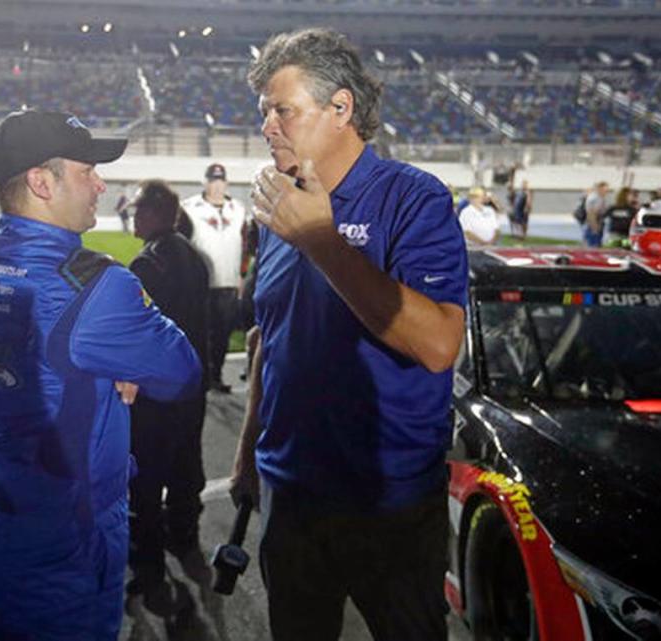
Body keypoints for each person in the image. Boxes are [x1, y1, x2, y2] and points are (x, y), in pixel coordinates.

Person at [232, 28, 468, 641]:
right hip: (291, 493)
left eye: (283, 111)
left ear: (341, 108)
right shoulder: (281, 208)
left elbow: (440, 343)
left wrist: (321, 242)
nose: (268, 127)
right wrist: (247, 451)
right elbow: (271, 337)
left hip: (386, 500)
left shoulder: (411, 198)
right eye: (264, 114)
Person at [0, 110, 201, 641]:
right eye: (87, 169)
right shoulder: (96, 285)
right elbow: (182, 371)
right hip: (63, 538)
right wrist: (124, 361)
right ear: (42, 183)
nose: (100, 182)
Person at [126, 179, 212, 615]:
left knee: (146, 479)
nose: (134, 216)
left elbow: (133, 333)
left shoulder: (148, 264)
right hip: (190, 386)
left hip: (156, 392)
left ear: (160, 213)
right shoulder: (195, 258)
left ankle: (149, 565)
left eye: (140, 209)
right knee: (185, 466)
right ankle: (185, 536)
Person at [181, 163, 246, 393]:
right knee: (200, 335)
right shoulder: (189, 208)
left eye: (220, 180)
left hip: (228, 283)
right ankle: (200, 377)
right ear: (205, 182)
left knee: (222, 335)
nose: (216, 185)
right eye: (212, 180)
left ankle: (215, 375)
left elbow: (244, 244)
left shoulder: (238, 209)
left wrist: (241, 276)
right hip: (202, 286)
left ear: (226, 182)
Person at [583, 181, 610, 247]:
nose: (606, 192)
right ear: (600, 189)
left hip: (596, 223)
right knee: (593, 244)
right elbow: (592, 213)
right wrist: (595, 227)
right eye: (605, 190)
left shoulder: (599, 197)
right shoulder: (596, 198)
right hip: (594, 224)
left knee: (594, 243)